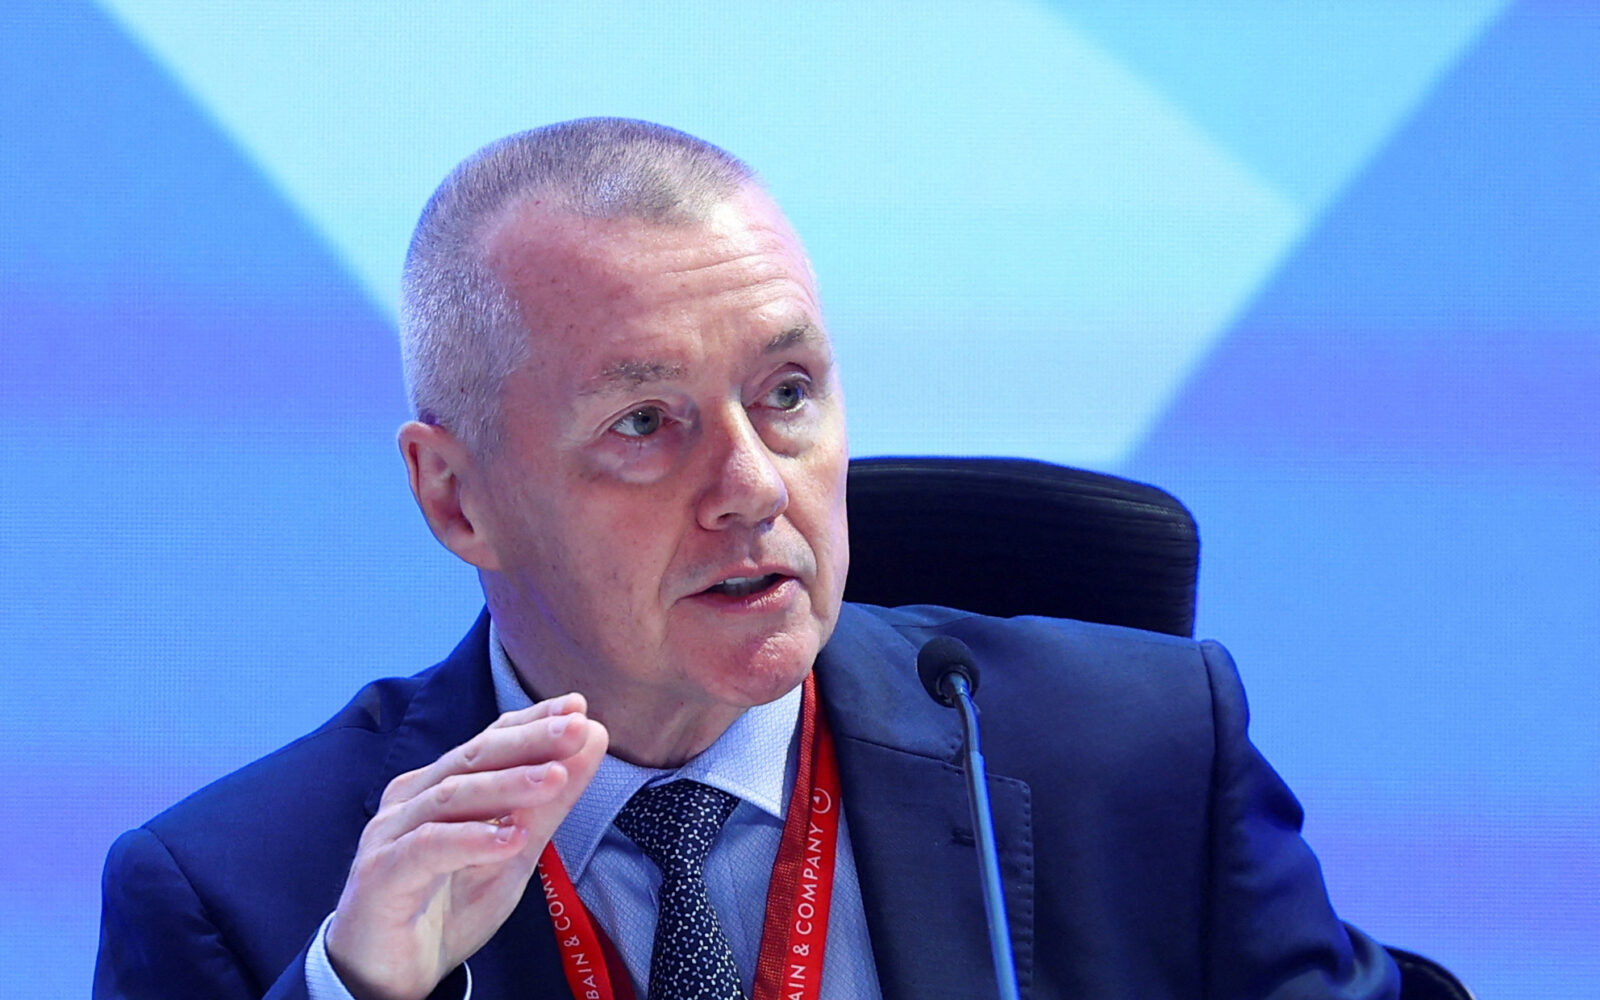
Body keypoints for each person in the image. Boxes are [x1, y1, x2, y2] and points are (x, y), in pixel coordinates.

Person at [95, 118, 1399, 1000]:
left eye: (787, 393)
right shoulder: (243, 899)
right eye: (644, 423)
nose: (755, 486)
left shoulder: (1144, 757)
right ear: (457, 497)